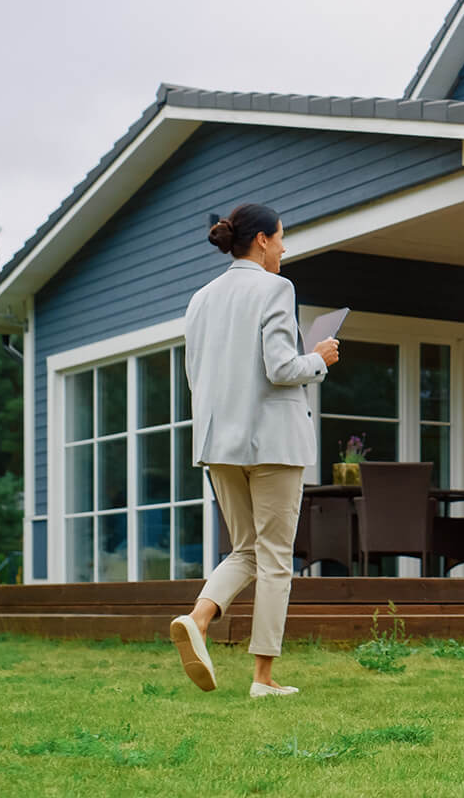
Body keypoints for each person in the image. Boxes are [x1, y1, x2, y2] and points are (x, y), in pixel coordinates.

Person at [169, 202, 340, 699]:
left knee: (245, 549)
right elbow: (281, 367)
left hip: (218, 442)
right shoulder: (276, 288)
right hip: (272, 442)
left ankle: (198, 619)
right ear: (262, 240)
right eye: (282, 237)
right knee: (274, 558)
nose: (285, 247)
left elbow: (194, 374)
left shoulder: (200, 298)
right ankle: (263, 678)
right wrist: (320, 357)